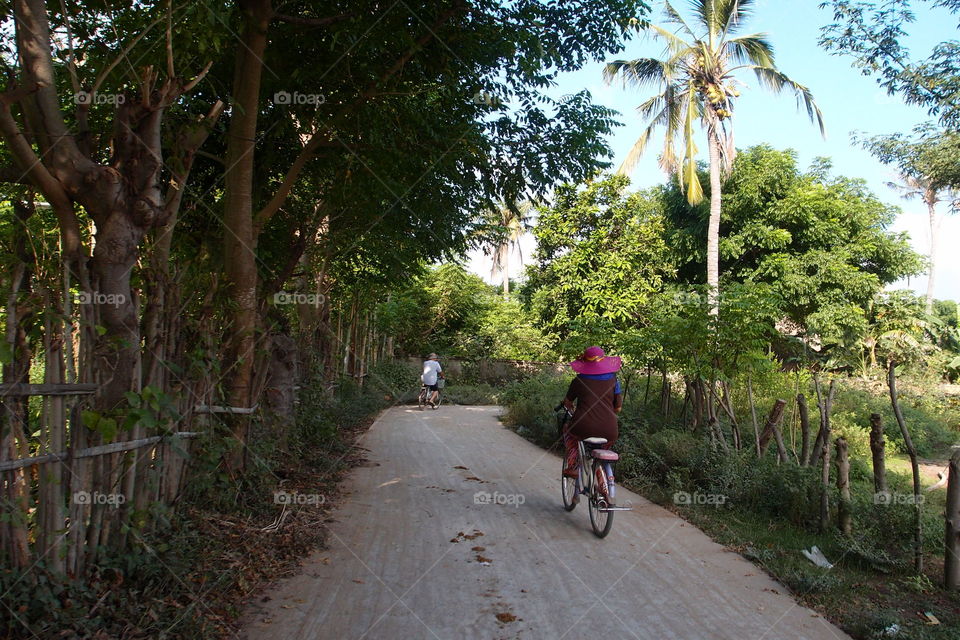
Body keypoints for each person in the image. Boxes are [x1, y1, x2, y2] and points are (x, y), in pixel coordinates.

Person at [562, 346, 623, 502]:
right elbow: (618, 408)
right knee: (599, 453)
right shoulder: (614, 380)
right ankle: (603, 486)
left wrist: (570, 406)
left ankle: (573, 465)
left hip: (582, 426)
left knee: (569, 432)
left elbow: (568, 402)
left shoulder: (579, 380)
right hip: (609, 430)